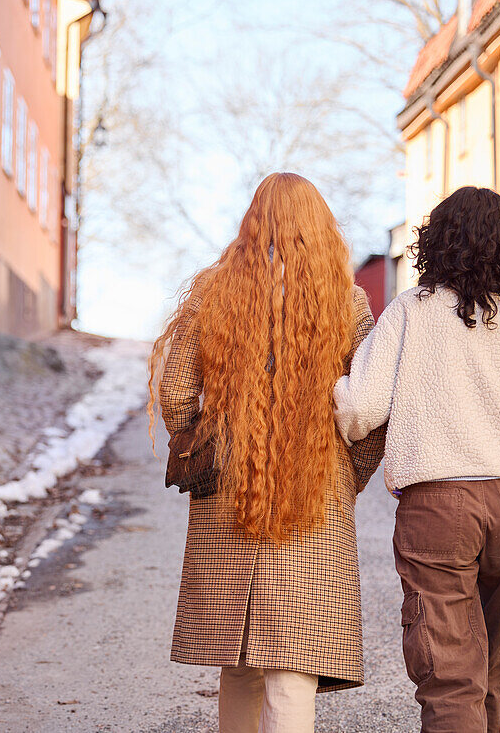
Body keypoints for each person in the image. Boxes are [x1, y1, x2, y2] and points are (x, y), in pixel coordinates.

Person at [149, 172, 386, 733]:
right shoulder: (347, 303)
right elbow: (371, 408)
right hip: (316, 488)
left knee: (239, 653)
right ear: (320, 227)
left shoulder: (213, 294)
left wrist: (203, 440)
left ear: (252, 224)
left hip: (230, 483)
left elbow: (177, 394)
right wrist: (348, 475)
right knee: (294, 660)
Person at [333, 186, 500, 733]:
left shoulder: (409, 314)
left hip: (437, 505)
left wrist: (331, 384)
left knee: (447, 672)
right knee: (490, 657)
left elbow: (361, 410)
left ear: (434, 244)